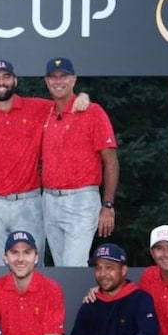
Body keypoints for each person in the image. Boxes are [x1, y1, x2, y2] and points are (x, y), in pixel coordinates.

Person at [0, 59, 88, 266]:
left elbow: (64, 99)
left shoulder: (38, 108)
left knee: (33, 267)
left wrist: (83, 96)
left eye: (6, 77)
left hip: (29, 202)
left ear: (15, 80)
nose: (1, 82)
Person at [40, 57, 118, 267]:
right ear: (46, 81)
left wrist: (108, 205)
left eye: (63, 76)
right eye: (53, 77)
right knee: (62, 268)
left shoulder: (92, 112)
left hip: (81, 200)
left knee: (72, 266)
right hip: (49, 201)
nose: (58, 81)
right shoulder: (45, 113)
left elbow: (110, 160)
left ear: (73, 79)